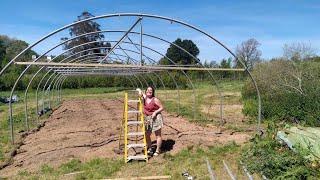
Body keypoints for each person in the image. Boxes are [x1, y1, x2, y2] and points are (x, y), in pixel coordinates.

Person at [137, 86, 164, 156]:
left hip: (156, 118)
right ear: (146, 92)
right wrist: (139, 90)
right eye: (148, 90)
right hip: (148, 118)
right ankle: (150, 148)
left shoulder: (155, 99)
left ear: (153, 92)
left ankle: (158, 150)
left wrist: (155, 112)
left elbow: (162, 107)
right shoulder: (145, 98)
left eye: (151, 90)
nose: (149, 91)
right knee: (147, 134)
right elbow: (141, 93)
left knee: (157, 135)